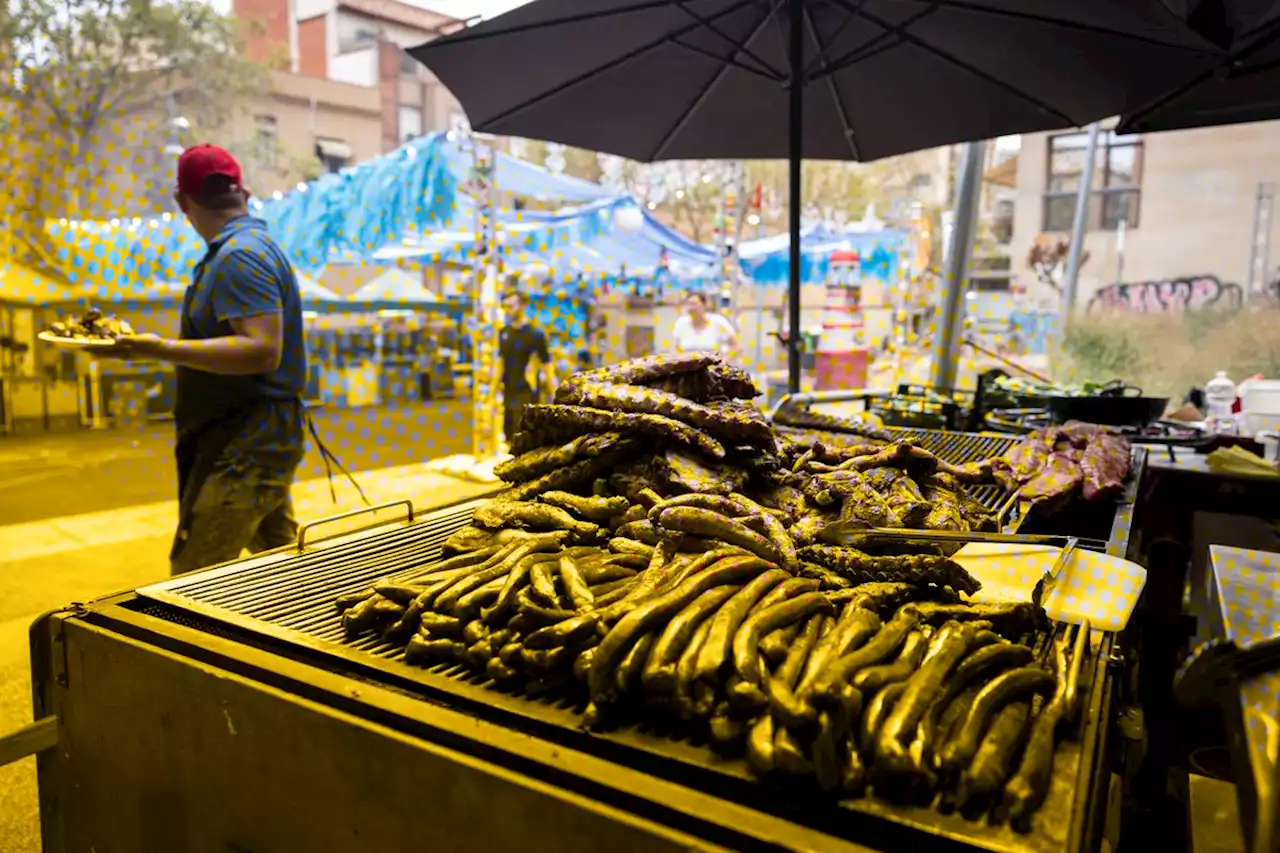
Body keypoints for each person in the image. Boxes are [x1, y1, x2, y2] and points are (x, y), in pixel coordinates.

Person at [103, 144, 312, 576]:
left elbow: (261, 349)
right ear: (245, 193)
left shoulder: (240, 257)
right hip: (256, 440)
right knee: (289, 569)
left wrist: (156, 348)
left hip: (243, 446)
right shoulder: (248, 249)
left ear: (183, 202)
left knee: (190, 586)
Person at [499, 291, 551, 442]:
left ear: (523, 306)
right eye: (505, 306)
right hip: (508, 393)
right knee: (509, 438)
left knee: (525, 438)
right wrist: (492, 393)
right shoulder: (504, 333)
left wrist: (554, 393)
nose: (507, 309)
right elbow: (500, 364)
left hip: (527, 393)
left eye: (511, 305)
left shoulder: (535, 334)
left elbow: (547, 365)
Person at [672, 292, 737, 357]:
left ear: (704, 305)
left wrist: (724, 361)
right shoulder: (681, 323)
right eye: (687, 304)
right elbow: (675, 348)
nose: (690, 308)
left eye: (693, 304)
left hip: (712, 365)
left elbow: (735, 345)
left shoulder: (718, 321)